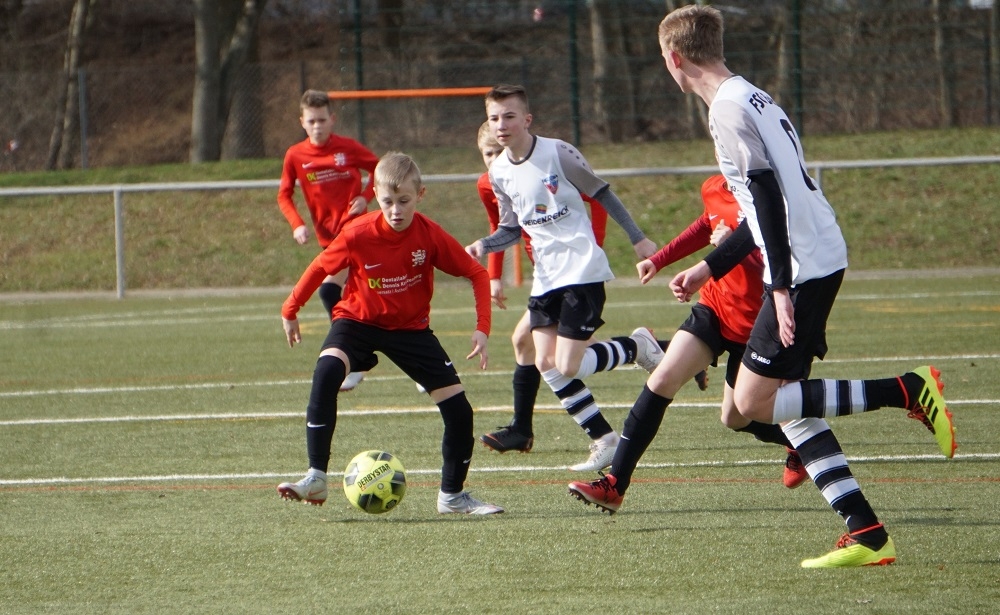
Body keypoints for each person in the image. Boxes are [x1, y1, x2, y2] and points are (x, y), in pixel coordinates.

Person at [653, 5, 955, 568]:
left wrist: (779, 287)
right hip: (815, 254)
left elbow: (767, 196)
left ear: (674, 58)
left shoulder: (726, 110)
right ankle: (867, 533)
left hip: (803, 266)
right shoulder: (753, 96)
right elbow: (759, 208)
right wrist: (710, 268)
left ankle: (907, 390)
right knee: (751, 408)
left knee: (753, 402)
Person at [277, 151, 504, 515]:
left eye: (404, 201)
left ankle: (452, 497)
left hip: (410, 330)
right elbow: (319, 268)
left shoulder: (429, 235)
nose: (395, 210)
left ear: (420, 195)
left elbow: (476, 273)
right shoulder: (358, 233)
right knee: (327, 371)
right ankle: (316, 477)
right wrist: (289, 309)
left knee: (460, 412)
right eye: (387, 202)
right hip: (357, 322)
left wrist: (482, 329)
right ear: (376, 196)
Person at [568, 174, 809, 514]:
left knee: (735, 417)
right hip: (715, 308)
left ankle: (800, 443)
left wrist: (728, 249)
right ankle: (614, 485)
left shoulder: (773, 193)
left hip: (761, 322)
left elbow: (785, 260)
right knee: (662, 378)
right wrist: (659, 259)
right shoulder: (715, 187)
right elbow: (703, 225)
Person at [466, 84, 665, 473]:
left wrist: (638, 238)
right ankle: (605, 439)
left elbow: (602, 193)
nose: (501, 125)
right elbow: (511, 229)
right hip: (545, 278)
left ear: (527, 119)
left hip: (581, 269)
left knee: (568, 365)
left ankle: (636, 347)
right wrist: (483, 246)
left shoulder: (557, 152)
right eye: (494, 118)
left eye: (509, 116)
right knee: (545, 361)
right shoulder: (498, 172)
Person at [277, 89, 380, 392]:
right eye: (311, 121)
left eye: (322, 120)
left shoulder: (347, 148)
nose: (317, 126)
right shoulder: (295, 155)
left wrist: (365, 197)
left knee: (328, 291)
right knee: (370, 302)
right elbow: (284, 195)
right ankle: (368, 359)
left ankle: (354, 359)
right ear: (302, 122)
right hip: (329, 239)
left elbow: (379, 170)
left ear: (332, 119)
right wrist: (297, 224)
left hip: (355, 232)